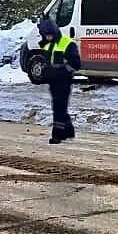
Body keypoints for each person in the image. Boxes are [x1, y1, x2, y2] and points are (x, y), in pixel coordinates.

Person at [38, 15, 80, 144]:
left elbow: (76, 64)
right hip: (53, 81)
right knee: (59, 106)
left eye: (50, 35)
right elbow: (46, 62)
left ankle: (57, 134)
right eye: (46, 35)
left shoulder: (68, 44)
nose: (48, 37)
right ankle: (68, 131)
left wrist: (61, 72)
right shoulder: (47, 45)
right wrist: (45, 71)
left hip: (64, 81)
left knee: (59, 107)